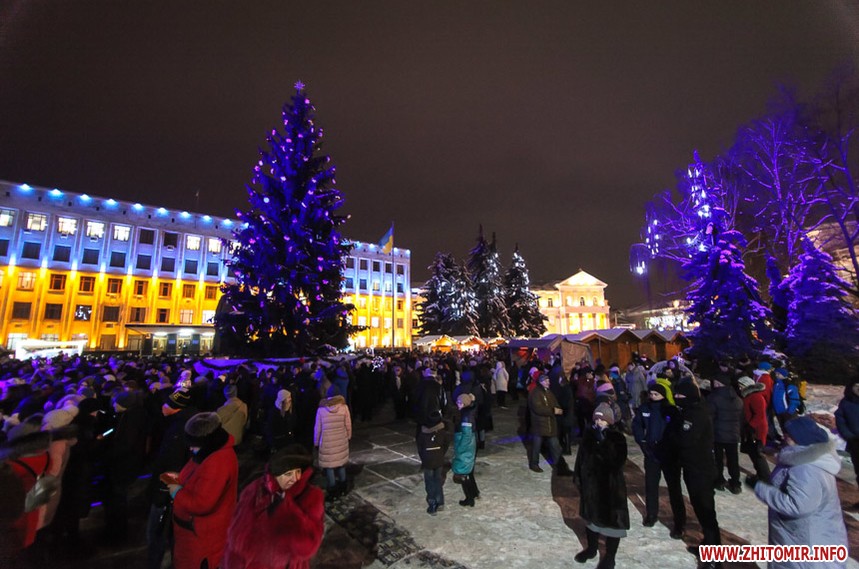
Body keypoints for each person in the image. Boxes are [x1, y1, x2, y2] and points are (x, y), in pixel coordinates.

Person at [751, 416, 848, 568]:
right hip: (801, 537)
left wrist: (760, 488)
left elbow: (797, 506)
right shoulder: (801, 458)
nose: (784, 437)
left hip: (806, 544)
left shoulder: (805, 468)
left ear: (801, 438)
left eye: (789, 435)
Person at [222, 444, 325, 569]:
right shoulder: (256, 487)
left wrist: (286, 509)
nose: (294, 478)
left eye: (297, 472)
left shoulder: (310, 497)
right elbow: (236, 525)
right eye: (287, 474)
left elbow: (308, 546)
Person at [168, 412, 238, 569]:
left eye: (194, 444)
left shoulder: (217, 462)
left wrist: (176, 491)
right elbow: (197, 477)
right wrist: (179, 478)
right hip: (193, 532)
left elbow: (202, 504)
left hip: (202, 537)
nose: (190, 448)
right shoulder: (208, 453)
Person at [666, 382, 721, 567]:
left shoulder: (696, 414)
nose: (676, 399)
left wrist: (673, 431)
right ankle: (707, 545)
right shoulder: (689, 411)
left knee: (707, 513)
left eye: (680, 396)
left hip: (701, 470)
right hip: (692, 468)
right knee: (700, 509)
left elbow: (685, 440)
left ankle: (714, 559)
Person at [573, 403, 629, 569]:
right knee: (591, 521)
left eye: (602, 419)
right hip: (591, 487)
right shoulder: (589, 436)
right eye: (596, 419)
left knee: (613, 524)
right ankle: (591, 549)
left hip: (610, 488)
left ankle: (610, 557)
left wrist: (603, 443)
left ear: (609, 421)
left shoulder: (617, 438)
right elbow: (580, 459)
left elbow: (617, 462)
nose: (599, 422)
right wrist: (578, 478)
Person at [146, 389, 195, 569]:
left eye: (166, 404)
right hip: (172, 490)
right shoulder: (178, 424)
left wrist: (163, 492)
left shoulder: (177, 431)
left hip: (167, 492)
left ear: (175, 408)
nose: (162, 407)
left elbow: (171, 465)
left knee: (158, 532)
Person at [631, 383, 684, 530]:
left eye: (656, 394)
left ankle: (679, 520)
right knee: (651, 485)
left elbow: (677, 430)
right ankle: (651, 514)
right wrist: (642, 441)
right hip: (651, 452)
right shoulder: (645, 408)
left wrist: (673, 445)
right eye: (651, 394)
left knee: (674, 487)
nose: (653, 396)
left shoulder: (671, 410)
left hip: (669, 454)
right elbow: (637, 425)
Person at [413, 367, 450, 515]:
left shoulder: (419, 387)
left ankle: (433, 502)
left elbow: (414, 404)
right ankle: (440, 501)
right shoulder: (438, 387)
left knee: (429, 477)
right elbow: (444, 404)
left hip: (423, 425)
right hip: (436, 430)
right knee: (437, 476)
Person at [313, 384, 352, 501]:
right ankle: (343, 487)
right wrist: (348, 436)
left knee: (329, 467)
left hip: (327, 443)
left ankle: (333, 491)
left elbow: (318, 428)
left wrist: (316, 442)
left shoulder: (321, 410)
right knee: (340, 464)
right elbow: (348, 424)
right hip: (341, 441)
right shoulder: (344, 408)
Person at [707, 376, 743, 494]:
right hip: (733, 434)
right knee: (733, 459)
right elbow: (741, 417)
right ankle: (735, 483)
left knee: (718, 459)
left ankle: (719, 480)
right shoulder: (737, 398)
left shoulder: (714, 397)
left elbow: (710, 417)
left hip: (718, 433)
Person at [527, 374, 567, 474]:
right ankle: (534, 464)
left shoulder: (549, 392)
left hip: (550, 424)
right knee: (536, 446)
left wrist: (558, 409)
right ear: (541, 382)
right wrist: (553, 410)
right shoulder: (535, 393)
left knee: (555, 446)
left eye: (548, 380)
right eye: (546, 381)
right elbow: (538, 408)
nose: (548, 382)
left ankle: (560, 466)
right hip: (539, 425)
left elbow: (555, 403)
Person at [738, 376, 771, 484]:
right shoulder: (749, 396)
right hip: (752, 430)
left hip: (757, 431)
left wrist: (750, 426)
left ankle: (765, 477)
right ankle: (761, 474)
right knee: (753, 453)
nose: (740, 388)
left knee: (757, 454)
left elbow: (759, 415)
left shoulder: (756, 397)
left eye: (741, 386)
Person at [835, 378, 859, 507]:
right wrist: (848, 436)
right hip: (855, 442)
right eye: (856, 385)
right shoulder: (846, 402)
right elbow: (841, 421)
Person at [452, 392, 479, 507]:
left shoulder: (466, 417)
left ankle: (469, 499)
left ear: (465, 403)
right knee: (468, 471)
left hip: (465, 448)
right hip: (469, 445)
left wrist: (459, 449)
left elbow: (466, 435)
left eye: (460, 402)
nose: (457, 404)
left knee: (463, 473)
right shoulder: (468, 411)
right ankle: (474, 493)